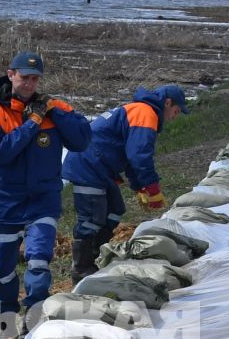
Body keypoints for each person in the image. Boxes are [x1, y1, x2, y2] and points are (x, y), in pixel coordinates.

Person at [0, 50, 91, 339]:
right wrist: (32, 124)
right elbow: (0, 153)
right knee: (3, 269)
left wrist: (52, 112)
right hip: (8, 201)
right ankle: (5, 329)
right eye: (25, 78)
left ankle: (35, 325)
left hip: (43, 199)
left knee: (39, 259)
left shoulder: (52, 108)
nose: (29, 84)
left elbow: (81, 140)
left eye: (35, 79)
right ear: (11, 74)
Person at [63, 84, 188, 278]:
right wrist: (152, 189)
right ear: (168, 102)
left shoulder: (141, 111)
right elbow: (139, 156)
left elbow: (131, 156)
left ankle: (95, 257)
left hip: (99, 166)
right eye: (176, 111)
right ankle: (81, 269)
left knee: (114, 210)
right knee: (92, 218)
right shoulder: (145, 114)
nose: (174, 116)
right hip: (88, 164)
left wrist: (139, 186)